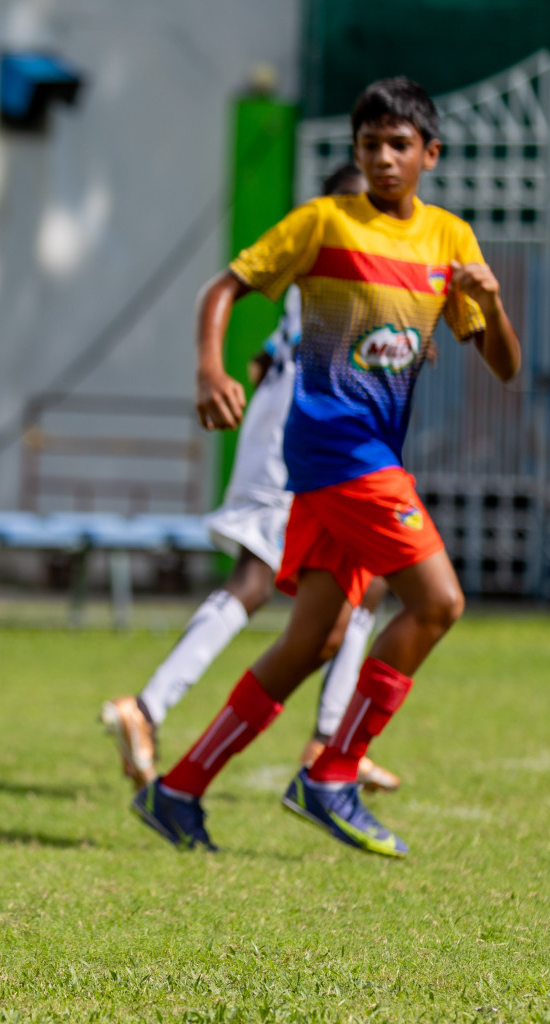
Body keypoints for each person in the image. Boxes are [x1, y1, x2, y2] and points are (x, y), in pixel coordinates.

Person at [131, 78, 520, 857]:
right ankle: (332, 772)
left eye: (398, 145)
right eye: (369, 144)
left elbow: (504, 366)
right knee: (438, 602)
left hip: (361, 459)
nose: (382, 157)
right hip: (340, 452)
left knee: (312, 641)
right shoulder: (324, 223)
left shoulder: (450, 240)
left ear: (428, 155)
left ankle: (177, 791)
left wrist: (492, 302)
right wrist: (212, 368)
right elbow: (225, 287)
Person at [102, 165, 400, 795]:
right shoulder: (339, 260)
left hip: (298, 435)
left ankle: (328, 743)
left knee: (361, 586)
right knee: (261, 581)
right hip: (296, 444)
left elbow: (278, 346)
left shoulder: (331, 267)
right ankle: (153, 710)